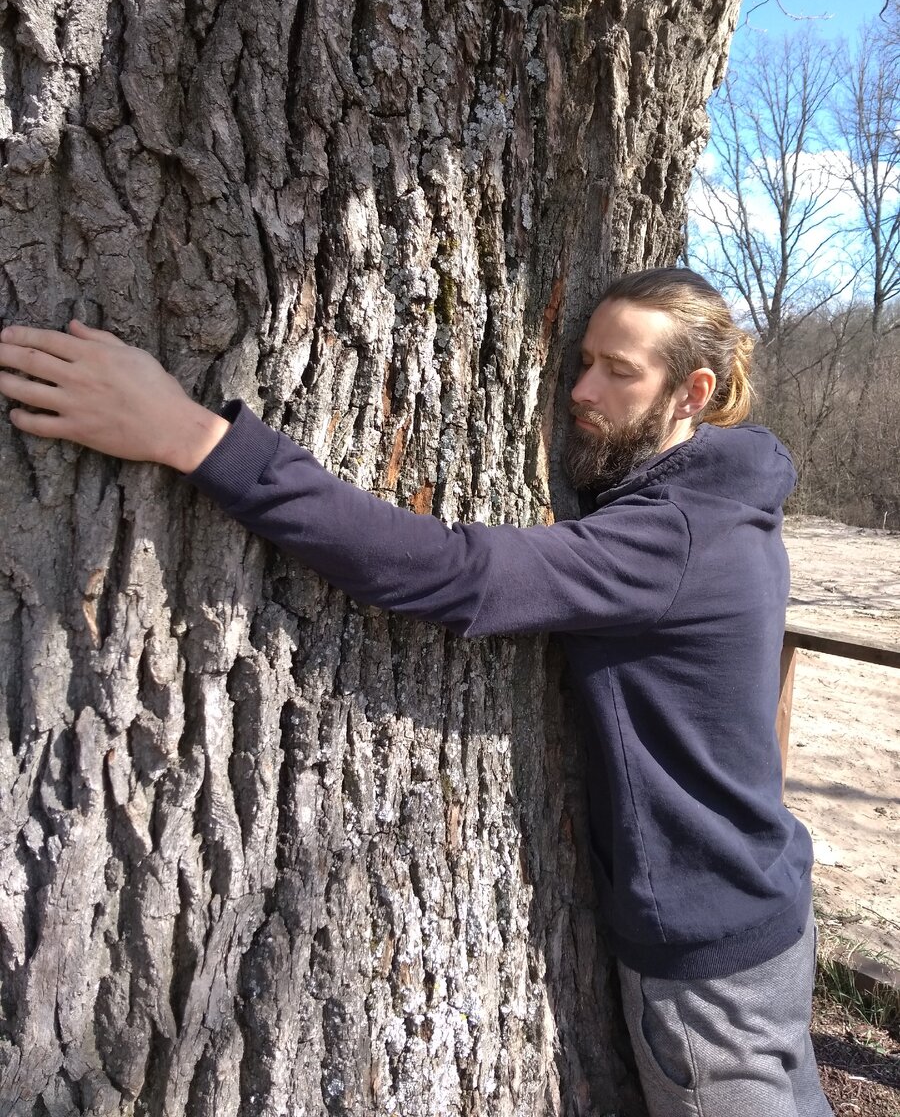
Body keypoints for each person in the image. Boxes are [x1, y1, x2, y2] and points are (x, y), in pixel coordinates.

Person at [0, 267, 833, 1117]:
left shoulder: (673, 535)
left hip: (708, 959)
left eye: (620, 372)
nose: (582, 390)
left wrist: (192, 437)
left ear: (693, 392)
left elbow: (454, 572)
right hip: (760, 904)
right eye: (583, 360)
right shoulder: (719, 499)